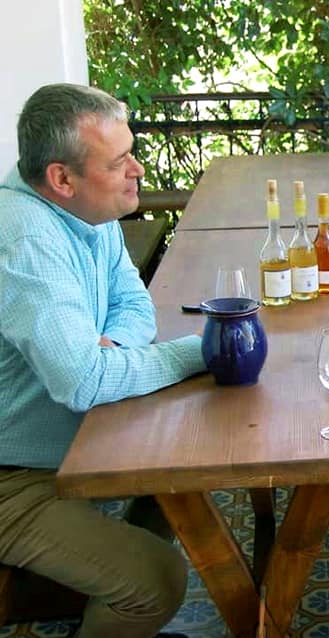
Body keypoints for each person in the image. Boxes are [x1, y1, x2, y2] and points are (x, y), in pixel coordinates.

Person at [0, 84, 207, 638]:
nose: (137, 170)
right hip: (12, 477)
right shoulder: (25, 239)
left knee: (181, 463)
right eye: (118, 163)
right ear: (61, 178)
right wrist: (199, 351)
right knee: (155, 581)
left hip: (71, 444)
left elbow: (133, 303)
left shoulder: (87, 211)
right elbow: (82, 383)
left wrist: (109, 349)